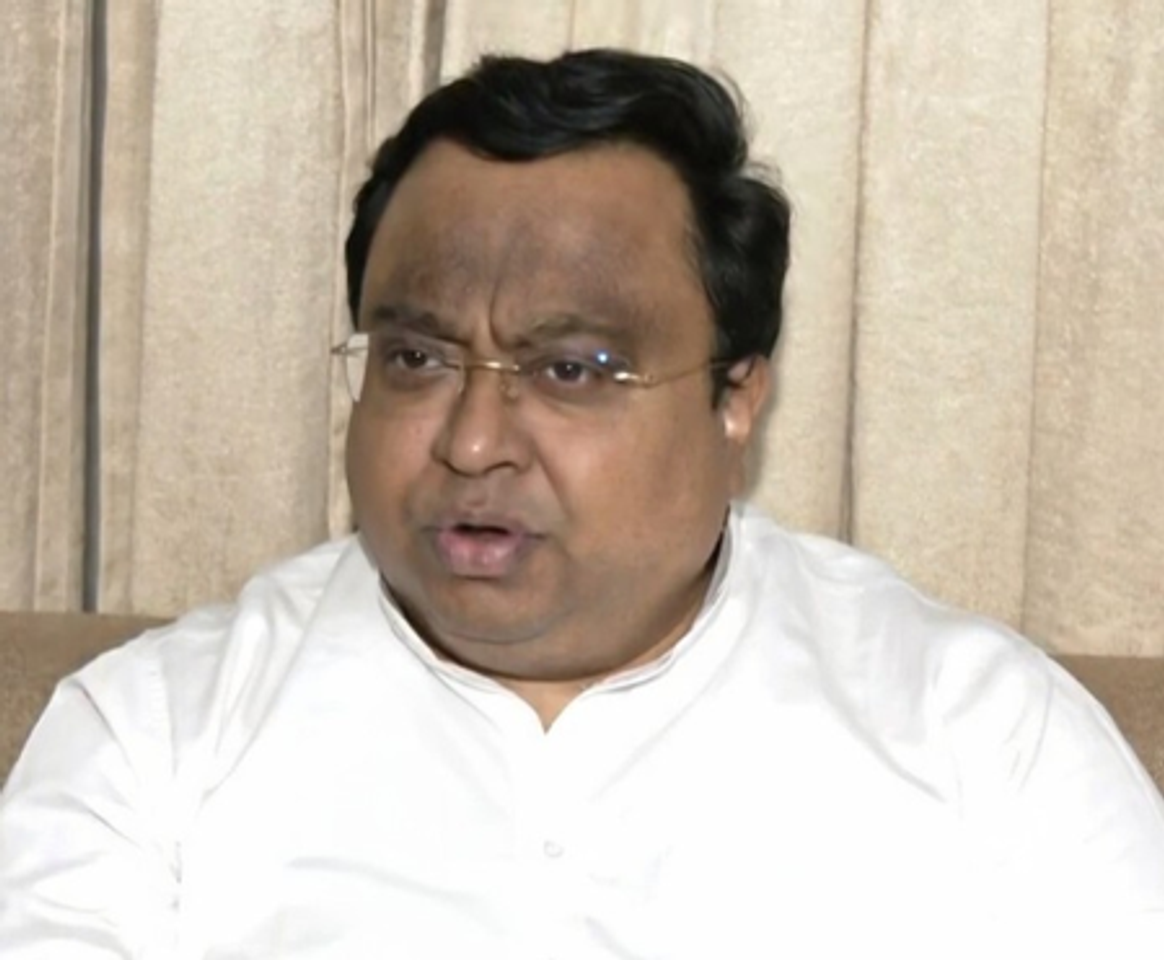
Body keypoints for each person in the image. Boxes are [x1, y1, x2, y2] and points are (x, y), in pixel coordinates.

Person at [1, 49, 1162, 959]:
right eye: (416, 358)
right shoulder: (152, 737)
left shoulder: (980, 735)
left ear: (736, 399)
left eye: (572, 369)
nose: (470, 442)